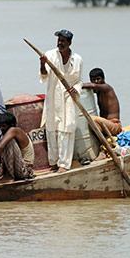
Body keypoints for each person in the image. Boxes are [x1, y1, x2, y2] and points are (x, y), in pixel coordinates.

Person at [39, 29, 83, 173]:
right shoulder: (50, 55)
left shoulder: (77, 59)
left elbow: (79, 80)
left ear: (69, 43)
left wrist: (76, 88)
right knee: (52, 129)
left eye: (63, 41)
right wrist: (42, 63)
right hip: (54, 98)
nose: (60, 43)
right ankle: (53, 162)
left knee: (67, 129)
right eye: (59, 40)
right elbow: (44, 75)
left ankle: (63, 164)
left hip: (69, 99)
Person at [0, 113, 35, 183]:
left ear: (12, 125)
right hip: (17, 169)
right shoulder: (6, 134)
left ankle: (9, 176)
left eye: (3, 126)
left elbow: (0, 147)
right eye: (0, 126)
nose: (1, 129)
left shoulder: (14, 130)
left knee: (7, 141)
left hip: (25, 170)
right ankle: (6, 174)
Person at [82, 68, 122, 136]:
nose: (96, 81)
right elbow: (89, 88)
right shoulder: (98, 91)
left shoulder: (107, 88)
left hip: (114, 126)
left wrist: (78, 85)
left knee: (91, 119)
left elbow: (93, 86)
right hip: (104, 125)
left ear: (103, 78)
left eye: (98, 79)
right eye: (93, 80)